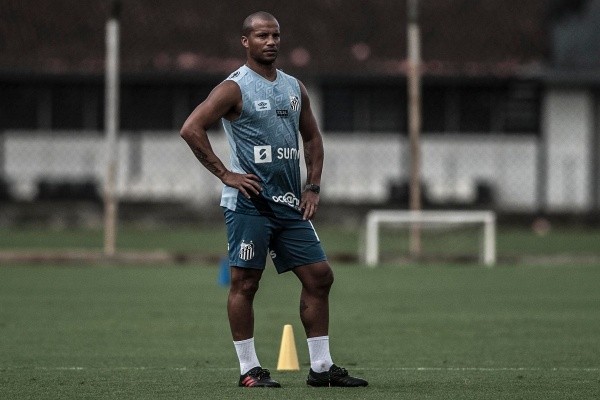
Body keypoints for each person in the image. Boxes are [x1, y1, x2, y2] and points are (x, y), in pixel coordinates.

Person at [180, 11, 368, 389]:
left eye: (275, 36)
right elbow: (191, 128)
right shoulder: (234, 88)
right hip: (249, 203)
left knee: (320, 277)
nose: (270, 42)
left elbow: (312, 138)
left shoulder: (294, 88)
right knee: (246, 283)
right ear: (245, 41)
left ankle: (321, 368)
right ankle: (249, 370)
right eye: (262, 35)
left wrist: (312, 187)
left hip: (289, 204)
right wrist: (226, 174)